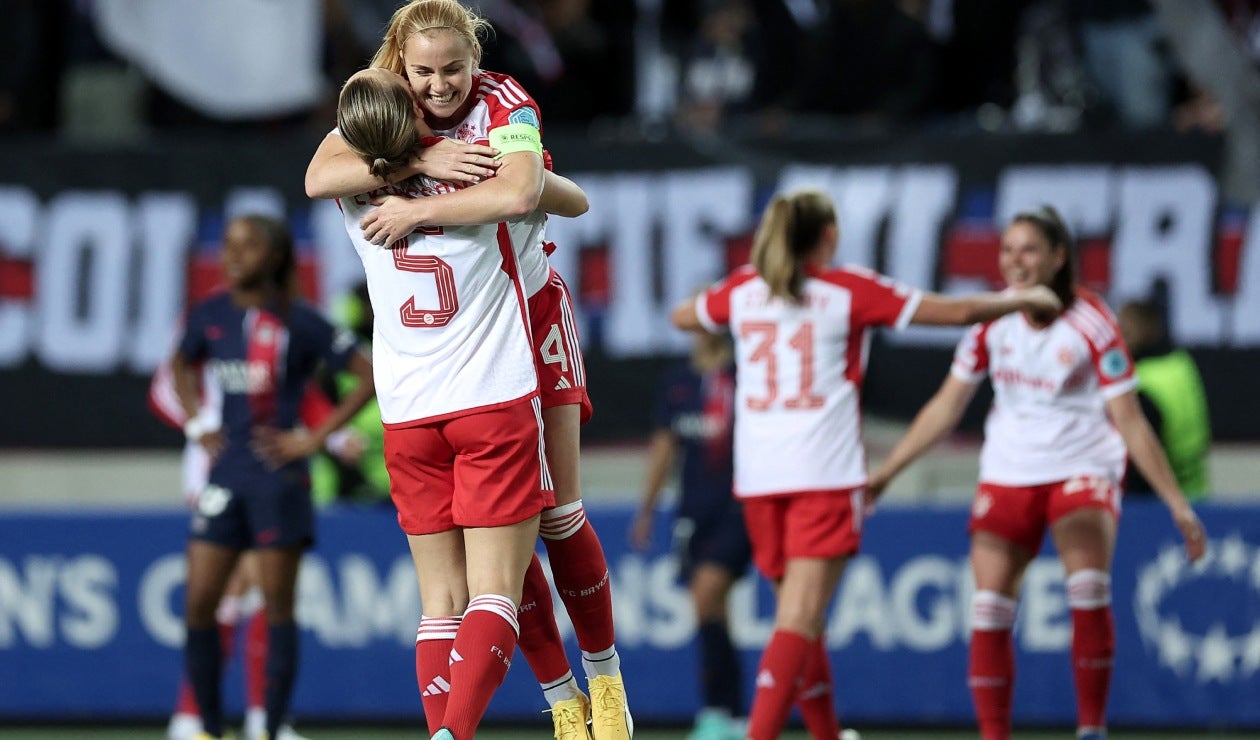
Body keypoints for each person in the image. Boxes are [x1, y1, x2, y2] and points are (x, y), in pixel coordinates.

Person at [306, 6, 632, 736]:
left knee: (556, 512)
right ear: (400, 63)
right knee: (505, 548)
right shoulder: (387, 112)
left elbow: (536, 193)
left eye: (453, 69)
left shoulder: (505, 102)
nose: (441, 84)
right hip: (484, 362)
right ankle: (561, 698)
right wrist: (423, 161)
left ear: (474, 57)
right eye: (425, 72)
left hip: (528, 320)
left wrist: (417, 202)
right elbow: (317, 172)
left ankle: (605, 678)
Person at [670, 188, 1063, 740]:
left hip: (758, 481)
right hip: (822, 475)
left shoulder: (744, 291)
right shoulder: (846, 290)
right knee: (799, 620)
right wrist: (1021, 299)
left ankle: (828, 735)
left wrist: (727, 299)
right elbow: (958, 310)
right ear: (827, 235)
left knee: (799, 621)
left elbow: (684, 315)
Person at [866, 206, 1207, 740]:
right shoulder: (992, 320)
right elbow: (945, 407)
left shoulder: (1093, 321)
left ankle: (1091, 730)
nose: (1015, 261)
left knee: (1087, 589)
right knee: (989, 606)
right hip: (1009, 469)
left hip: (1081, 465)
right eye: (1007, 250)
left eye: (1028, 250)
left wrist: (1177, 504)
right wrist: (886, 473)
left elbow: (1130, 419)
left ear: (1057, 257)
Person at [170, 214, 375, 740]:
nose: (233, 255)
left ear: (277, 256)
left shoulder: (300, 321)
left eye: (249, 245)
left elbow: (367, 375)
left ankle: (270, 725)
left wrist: (314, 437)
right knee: (199, 604)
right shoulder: (210, 313)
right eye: (229, 245)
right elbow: (179, 364)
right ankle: (209, 727)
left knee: (277, 606)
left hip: (280, 480)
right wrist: (196, 422)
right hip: (226, 474)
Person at [150, 358, 329, 740]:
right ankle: (222, 718)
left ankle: (217, 717)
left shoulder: (279, 325)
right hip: (222, 467)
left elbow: (294, 390)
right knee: (233, 586)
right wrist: (202, 423)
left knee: (249, 588)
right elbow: (165, 388)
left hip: (264, 467)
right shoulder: (209, 319)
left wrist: (333, 436)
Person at [631, 331, 750, 740]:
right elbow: (665, 445)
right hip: (692, 513)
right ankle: (731, 713)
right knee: (710, 611)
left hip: (738, 509)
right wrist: (646, 509)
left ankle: (720, 710)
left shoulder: (743, 377)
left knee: (706, 593)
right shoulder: (680, 382)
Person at [1116, 298, 1211, 499]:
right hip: (1197, 494)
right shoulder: (1181, 363)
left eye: (1125, 331)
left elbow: (1141, 468)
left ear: (1144, 331)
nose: (1118, 340)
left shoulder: (1141, 386)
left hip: (1160, 506)